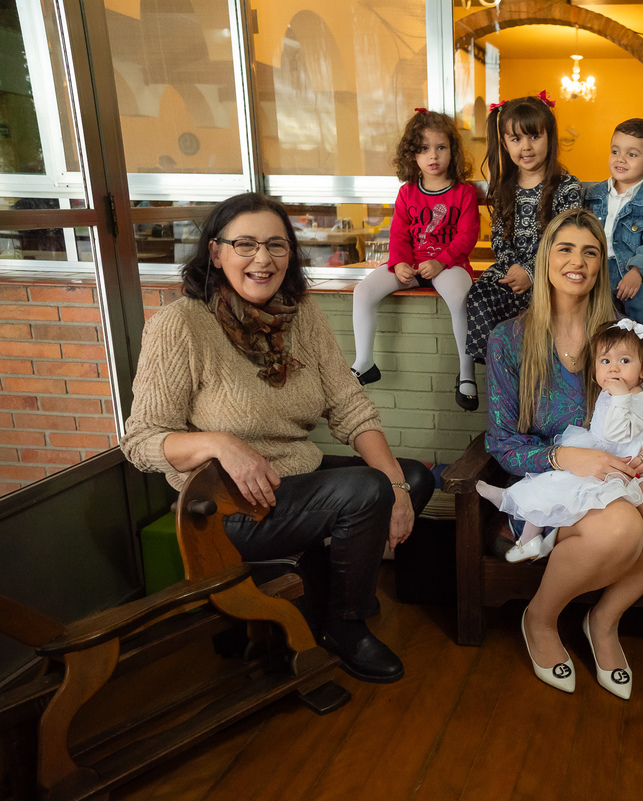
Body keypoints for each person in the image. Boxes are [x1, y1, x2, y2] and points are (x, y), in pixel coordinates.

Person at [121, 192, 434, 684]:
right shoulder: (179, 325)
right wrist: (220, 443)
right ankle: (343, 624)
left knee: (410, 477)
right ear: (215, 252)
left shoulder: (301, 315)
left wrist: (396, 485)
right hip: (225, 508)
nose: (262, 259)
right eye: (245, 244)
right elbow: (141, 441)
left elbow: (349, 405)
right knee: (369, 489)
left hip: (294, 479)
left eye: (276, 245)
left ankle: (326, 598)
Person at [485, 208, 643, 701]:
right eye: (565, 249)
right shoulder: (509, 340)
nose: (577, 261)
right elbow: (501, 442)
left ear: (602, 264)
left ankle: (604, 619)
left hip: (622, 471)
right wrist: (564, 458)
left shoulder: (622, 335)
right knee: (621, 525)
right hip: (555, 485)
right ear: (545, 259)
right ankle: (540, 618)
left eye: (590, 251)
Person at [477, 317, 643, 563]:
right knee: (555, 480)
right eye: (605, 362)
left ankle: (517, 509)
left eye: (624, 361)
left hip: (618, 464)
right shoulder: (615, 391)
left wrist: (622, 401)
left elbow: (617, 433)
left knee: (563, 487)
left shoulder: (633, 398)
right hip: (597, 451)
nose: (614, 369)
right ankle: (522, 526)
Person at [350, 109, 482, 410]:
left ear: (453, 150)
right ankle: (365, 361)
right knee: (363, 291)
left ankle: (466, 374)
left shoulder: (463, 192)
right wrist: (398, 263)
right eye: (423, 149)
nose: (432, 156)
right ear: (413, 155)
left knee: (461, 298)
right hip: (410, 262)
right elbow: (398, 233)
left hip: (449, 264)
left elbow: (467, 235)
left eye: (440, 147)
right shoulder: (407, 192)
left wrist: (442, 261)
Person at [465, 94, 582, 361]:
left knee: (540, 322)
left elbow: (563, 240)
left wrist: (530, 272)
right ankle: (495, 368)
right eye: (516, 139)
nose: (526, 147)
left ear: (549, 138)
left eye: (534, 137)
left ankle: (532, 371)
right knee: (479, 295)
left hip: (548, 276)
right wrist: (513, 270)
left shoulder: (566, 186)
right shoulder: (504, 185)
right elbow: (498, 238)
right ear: (505, 145)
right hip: (510, 273)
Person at [583, 118, 643, 336]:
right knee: (589, 316)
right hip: (598, 269)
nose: (620, 159)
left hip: (638, 270)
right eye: (615, 151)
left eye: (631, 154)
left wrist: (637, 271)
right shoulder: (594, 195)